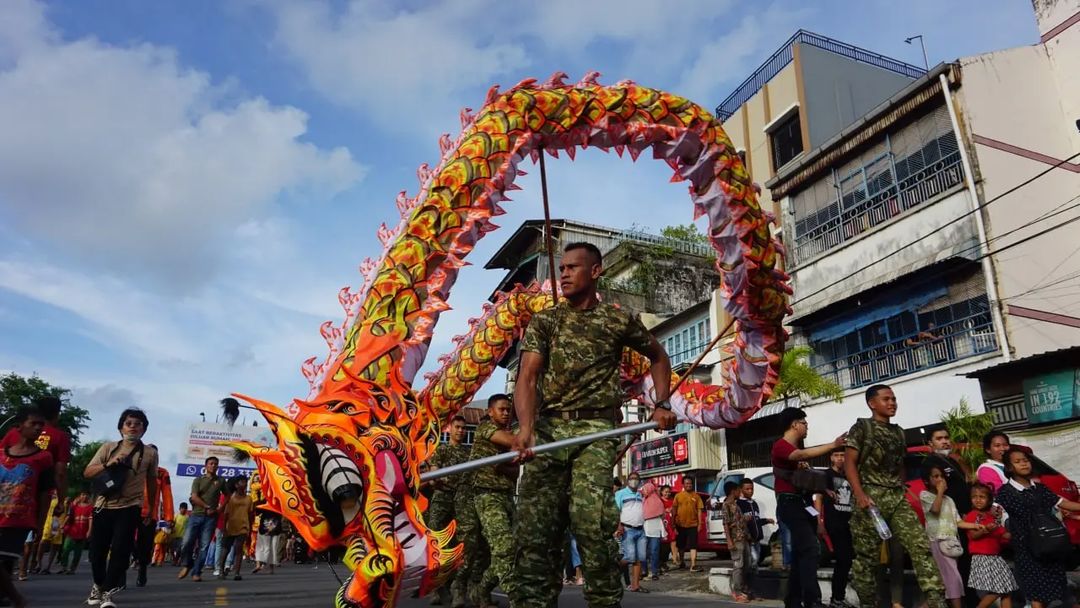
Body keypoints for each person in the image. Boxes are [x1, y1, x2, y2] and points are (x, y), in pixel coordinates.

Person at [508, 241, 677, 608]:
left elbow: (658, 356)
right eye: (562, 268)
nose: (564, 274)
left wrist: (661, 402)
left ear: (595, 272)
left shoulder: (616, 321)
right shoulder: (546, 321)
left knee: (593, 524)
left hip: (596, 433)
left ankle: (604, 600)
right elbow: (527, 378)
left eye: (572, 267)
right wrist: (525, 428)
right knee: (535, 532)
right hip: (549, 432)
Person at [845, 385, 945, 608]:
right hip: (869, 498)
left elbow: (900, 464)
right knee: (867, 559)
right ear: (872, 403)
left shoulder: (899, 432)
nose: (892, 403)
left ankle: (937, 601)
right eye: (886, 399)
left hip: (897, 498)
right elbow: (849, 462)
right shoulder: (862, 428)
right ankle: (868, 603)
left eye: (894, 399)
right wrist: (860, 494)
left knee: (920, 546)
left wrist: (901, 487)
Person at [84, 407, 159, 608]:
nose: (133, 427)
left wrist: (151, 507)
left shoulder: (150, 453)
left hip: (130, 506)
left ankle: (108, 593)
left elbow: (152, 482)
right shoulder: (108, 448)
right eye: (129, 423)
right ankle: (98, 584)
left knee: (120, 550)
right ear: (121, 428)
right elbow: (88, 472)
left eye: (138, 424)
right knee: (97, 551)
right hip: (103, 505)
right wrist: (109, 464)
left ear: (144, 429)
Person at [773, 407, 845, 608]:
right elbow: (801, 454)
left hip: (803, 503)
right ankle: (812, 600)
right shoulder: (781, 446)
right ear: (795, 424)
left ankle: (793, 600)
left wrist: (825, 490)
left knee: (800, 553)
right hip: (789, 503)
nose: (807, 427)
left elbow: (805, 478)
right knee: (811, 548)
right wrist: (833, 444)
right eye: (804, 423)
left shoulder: (796, 452)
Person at [995, 447, 1080, 608]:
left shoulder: (1040, 488)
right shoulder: (1005, 492)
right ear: (1009, 467)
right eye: (1018, 462)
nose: (1024, 464)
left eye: (1026, 460)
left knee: (1063, 591)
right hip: (1028, 549)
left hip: (1049, 545)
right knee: (1037, 595)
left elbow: (1062, 503)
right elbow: (998, 514)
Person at [2, 396, 71, 579]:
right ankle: (21, 573)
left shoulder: (12, 434)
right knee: (26, 539)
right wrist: (61, 501)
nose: (38, 428)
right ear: (57, 414)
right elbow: (61, 472)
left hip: (14, 504)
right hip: (30, 501)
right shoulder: (59, 437)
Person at [0, 408, 55, 608]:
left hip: (18, 519)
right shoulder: (1, 454)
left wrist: (40, 525)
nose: (39, 428)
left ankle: (16, 599)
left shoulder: (43, 458)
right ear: (19, 427)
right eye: (34, 423)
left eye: (41, 424)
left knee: (4, 563)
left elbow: (45, 494)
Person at [470, 395, 518, 607]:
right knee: (504, 547)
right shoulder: (485, 428)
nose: (506, 413)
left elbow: (515, 473)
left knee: (513, 549)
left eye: (508, 410)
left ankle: (481, 590)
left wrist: (502, 466)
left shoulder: (508, 437)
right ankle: (518, 597)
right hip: (487, 495)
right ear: (490, 411)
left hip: (506, 495)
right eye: (502, 409)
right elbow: (513, 443)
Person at [919, 463, 982, 608]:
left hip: (951, 543)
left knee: (944, 582)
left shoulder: (949, 500)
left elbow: (958, 521)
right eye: (936, 476)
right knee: (953, 579)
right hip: (938, 541)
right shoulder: (925, 495)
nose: (940, 479)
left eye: (942, 476)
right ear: (927, 480)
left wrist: (975, 525)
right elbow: (935, 510)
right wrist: (940, 492)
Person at [427, 414, 470, 606]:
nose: (461, 431)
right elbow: (435, 470)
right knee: (437, 543)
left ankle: (457, 587)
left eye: (463, 428)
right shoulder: (442, 450)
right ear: (450, 429)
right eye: (457, 427)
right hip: (442, 500)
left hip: (461, 501)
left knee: (461, 544)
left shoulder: (469, 454)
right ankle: (436, 588)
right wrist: (437, 479)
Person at [962, 483, 1016, 608]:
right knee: (999, 590)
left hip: (995, 557)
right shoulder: (972, 516)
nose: (978, 500)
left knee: (1007, 590)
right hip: (983, 557)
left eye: (982, 497)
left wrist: (1014, 534)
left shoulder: (991, 517)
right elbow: (973, 535)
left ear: (989, 500)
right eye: (974, 497)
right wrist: (985, 530)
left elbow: (1003, 534)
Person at [814, 448, 853, 608]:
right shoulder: (826, 475)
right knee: (843, 559)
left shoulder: (849, 475)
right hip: (834, 522)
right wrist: (819, 522)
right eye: (836, 455)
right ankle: (836, 598)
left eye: (842, 455)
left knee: (847, 560)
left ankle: (839, 597)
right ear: (831, 457)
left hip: (849, 521)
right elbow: (818, 498)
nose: (840, 458)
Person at [178, 456, 225, 582]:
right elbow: (194, 497)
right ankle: (187, 564)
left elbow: (228, 495)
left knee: (204, 546)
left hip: (211, 518)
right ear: (206, 466)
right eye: (211, 463)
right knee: (186, 543)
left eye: (216, 464)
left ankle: (197, 572)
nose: (213, 466)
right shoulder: (198, 480)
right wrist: (207, 506)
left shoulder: (220, 481)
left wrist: (220, 508)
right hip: (196, 515)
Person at [134, 464, 173, 586]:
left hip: (150, 515)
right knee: (126, 542)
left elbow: (167, 494)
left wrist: (169, 517)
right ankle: (121, 574)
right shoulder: (135, 468)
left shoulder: (162, 473)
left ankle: (142, 569)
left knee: (145, 545)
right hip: (130, 510)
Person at [737, 478, 770, 597]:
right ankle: (746, 587)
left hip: (757, 539)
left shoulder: (754, 503)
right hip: (748, 540)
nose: (750, 491)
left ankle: (753, 588)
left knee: (755, 564)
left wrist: (766, 521)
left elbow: (756, 520)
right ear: (741, 490)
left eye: (752, 489)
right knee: (752, 563)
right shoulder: (739, 504)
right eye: (747, 489)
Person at [615, 471, 647, 593]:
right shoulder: (620, 493)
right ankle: (613, 568)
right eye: (632, 478)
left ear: (639, 481)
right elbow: (617, 510)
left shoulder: (640, 495)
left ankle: (635, 585)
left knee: (640, 557)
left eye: (636, 479)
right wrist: (619, 526)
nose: (634, 480)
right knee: (630, 557)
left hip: (640, 529)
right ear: (628, 480)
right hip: (627, 529)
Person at [217, 476, 253, 581]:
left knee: (238, 549)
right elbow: (226, 514)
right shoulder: (230, 498)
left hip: (243, 527)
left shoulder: (249, 499)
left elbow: (251, 514)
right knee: (225, 549)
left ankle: (237, 573)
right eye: (242, 482)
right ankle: (221, 570)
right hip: (230, 526)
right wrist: (224, 528)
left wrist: (249, 528)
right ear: (236, 485)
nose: (244, 484)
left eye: (246, 482)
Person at [721, 481, 750, 603]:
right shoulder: (726, 505)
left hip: (743, 537)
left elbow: (737, 520)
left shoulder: (736, 504)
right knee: (738, 565)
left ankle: (744, 590)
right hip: (735, 539)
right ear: (733, 491)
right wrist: (729, 541)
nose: (740, 492)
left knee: (746, 565)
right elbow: (726, 524)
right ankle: (737, 592)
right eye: (738, 490)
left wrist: (745, 519)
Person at [672, 477, 703, 572]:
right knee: (681, 545)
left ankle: (693, 565)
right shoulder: (678, 496)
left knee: (693, 545)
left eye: (690, 483)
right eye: (686, 483)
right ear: (683, 485)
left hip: (693, 525)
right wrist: (673, 524)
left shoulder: (696, 496)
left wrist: (699, 523)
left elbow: (699, 510)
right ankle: (682, 562)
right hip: (680, 525)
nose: (688, 485)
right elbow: (674, 510)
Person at [60, 491, 92, 574]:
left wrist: (89, 531)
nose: (84, 496)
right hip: (72, 531)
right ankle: (64, 567)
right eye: (83, 495)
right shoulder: (74, 506)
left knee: (78, 552)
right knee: (66, 549)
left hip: (82, 533)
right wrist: (63, 524)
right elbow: (68, 515)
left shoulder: (90, 508)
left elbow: (91, 519)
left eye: (86, 495)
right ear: (79, 496)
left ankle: (72, 569)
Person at [639, 480, 664, 581]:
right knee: (644, 551)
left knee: (654, 551)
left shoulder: (657, 501)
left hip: (655, 528)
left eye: (645, 489)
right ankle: (644, 570)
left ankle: (654, 572)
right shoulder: (643, 500)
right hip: (645, 528)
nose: (644, 491)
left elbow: (662, 514)